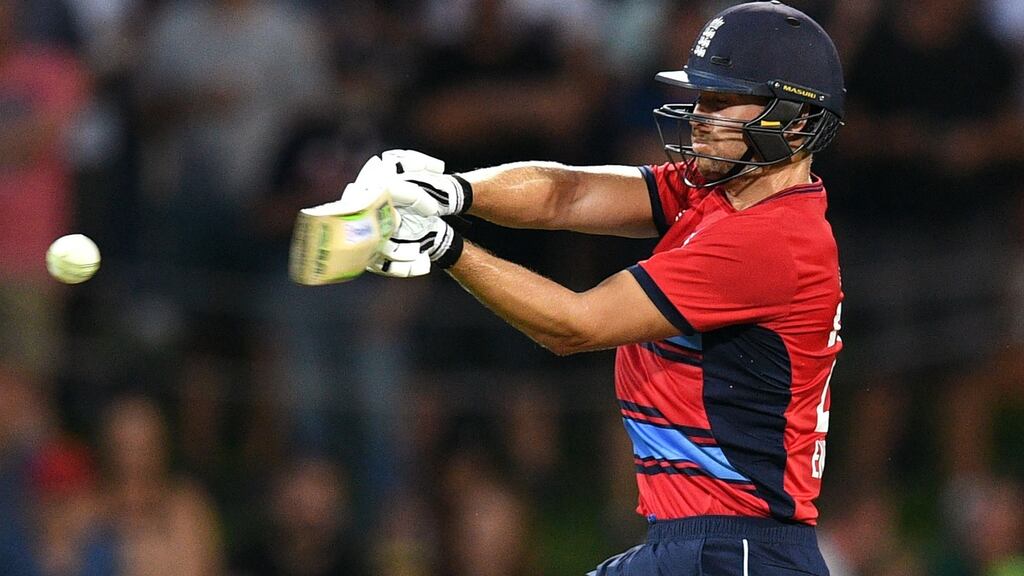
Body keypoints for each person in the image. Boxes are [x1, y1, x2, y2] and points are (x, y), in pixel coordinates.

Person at [359, 2, 845, 574]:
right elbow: (567, 194)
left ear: (790, 120)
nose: (697, 115)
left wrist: (446, 248)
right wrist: (449, 191)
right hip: (706, 547)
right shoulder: (723, 192)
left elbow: (576, 324)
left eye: (719, 101)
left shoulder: (769, 241)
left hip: (733, 551)